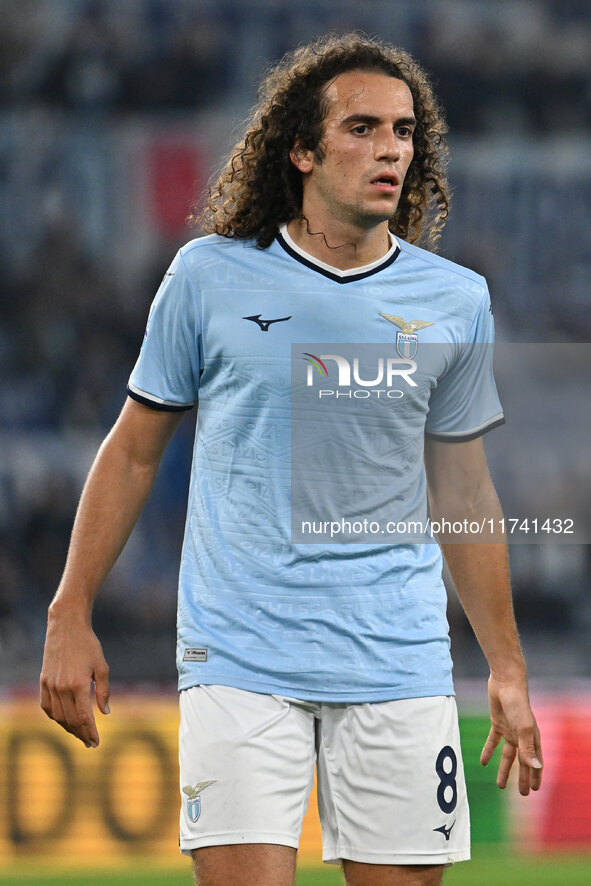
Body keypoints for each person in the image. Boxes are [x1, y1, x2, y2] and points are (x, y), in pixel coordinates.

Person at [40, 33, 543, 886]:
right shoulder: (207, 278)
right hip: (239, 659)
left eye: (404, 131)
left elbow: (463, 487)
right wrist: (69, 610)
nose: (390, 148)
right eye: (361, 128)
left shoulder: (454, 301)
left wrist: (506, 664)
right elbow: (131, 453)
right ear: (301, 150)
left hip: (398, 660)